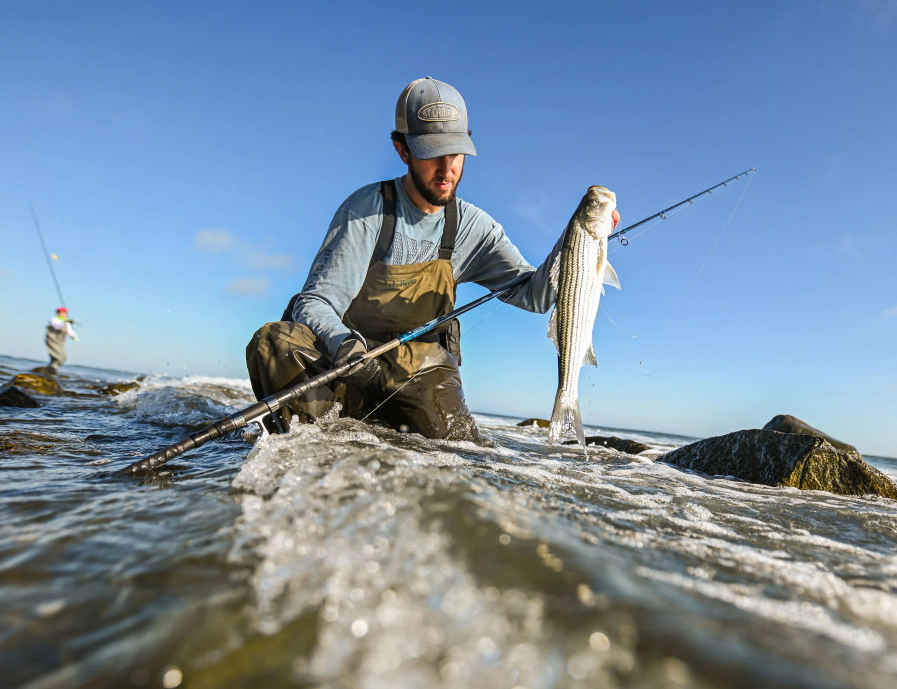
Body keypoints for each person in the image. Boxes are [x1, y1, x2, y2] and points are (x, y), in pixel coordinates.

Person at [246, 76, 619, 441]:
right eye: (431, 153)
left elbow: (536, 297)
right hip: (346, 363)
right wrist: (344, 344)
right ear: (403, 150)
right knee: (274, 342)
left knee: (455, 450)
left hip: (418, 371)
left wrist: (578, 240)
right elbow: (315, 302)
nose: (446, 169)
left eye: (455, 152)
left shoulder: (476, 228)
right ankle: (309, 455)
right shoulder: (365, 210)